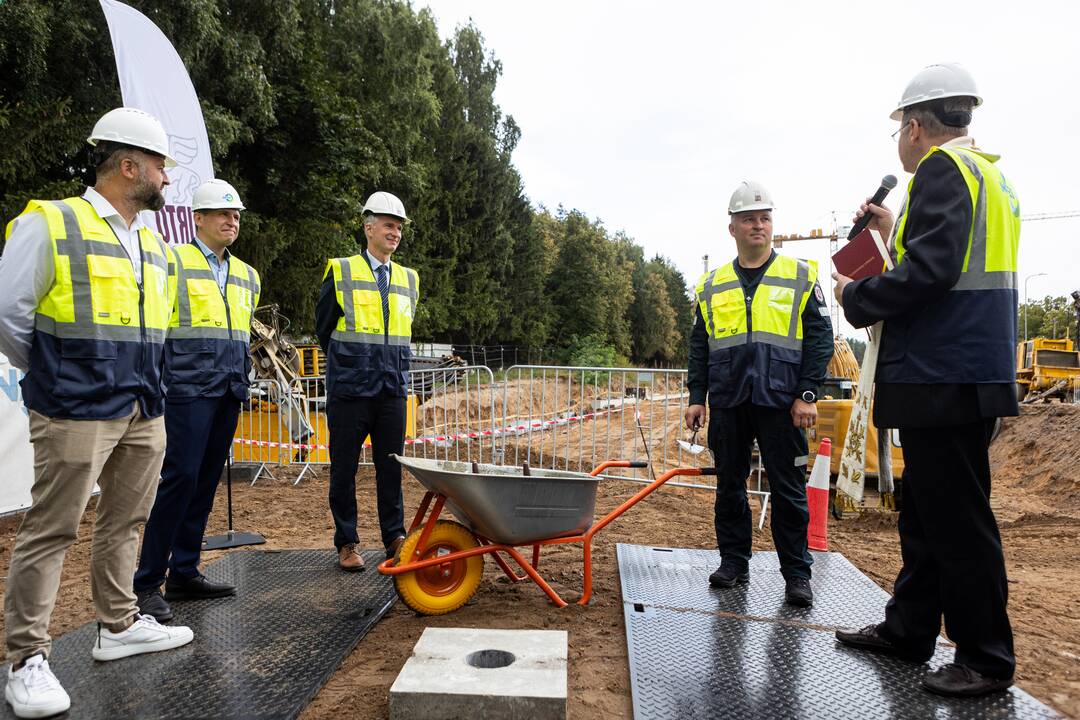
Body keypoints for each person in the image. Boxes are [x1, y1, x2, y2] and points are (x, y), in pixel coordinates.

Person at [832, 63, 1019, 698]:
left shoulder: (942, 171)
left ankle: (986, 659)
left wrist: (857, 294)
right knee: (929, 512)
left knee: (959, 521)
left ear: (915, 127)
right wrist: (891, 233)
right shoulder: (988, 176)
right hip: (966, 370)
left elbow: (931, 275)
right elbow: (948, 262)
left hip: (943, 371)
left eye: (898, 132)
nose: (900, 145)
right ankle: (910, 627)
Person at [0, 107, 194, 719]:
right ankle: (25, 658)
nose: (167, 178)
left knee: (127, 519)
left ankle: (117, 625)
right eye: (161, 166)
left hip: (142, 405)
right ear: (129, 165)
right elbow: (9, 314)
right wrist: (59, 372)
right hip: (75, 406)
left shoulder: (152, 243)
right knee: (52, 527)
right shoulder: (53, 222)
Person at [686, 181, 834, 608]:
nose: (758, 225)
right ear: (732, 227)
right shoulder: (711, 285)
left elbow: (821, 339)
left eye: (765, 218)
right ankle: (733, 562)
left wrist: (807, 393)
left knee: (788, 490)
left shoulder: (801, 276)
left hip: (783, 402)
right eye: (749, 218)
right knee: (729, 487)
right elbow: (700, 345)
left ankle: (796, 575)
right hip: (730, 401)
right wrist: (698, 395)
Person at [132, 179, 261, 623]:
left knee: (205, 483)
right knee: (178, 481)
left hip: (228, 390)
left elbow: (239, 335)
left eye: (237, 215)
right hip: (186, 390)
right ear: (197, 218)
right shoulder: (172, 262)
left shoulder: (247, 274)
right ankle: (147, 582)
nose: (231, 221)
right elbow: (155, 328)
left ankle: (183, 571)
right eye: (222, 214)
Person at [315, 191, 418, 571]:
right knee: (344, 469)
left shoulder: (409, 279)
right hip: (351, 391)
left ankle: (394, 537)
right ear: (368, 226)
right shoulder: (341, 270)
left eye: (399, 227)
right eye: (389, 225)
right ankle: (347, 542)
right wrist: (351, 365)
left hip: (392, 390)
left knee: (391, 467)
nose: (395, 233)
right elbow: (324, 329)